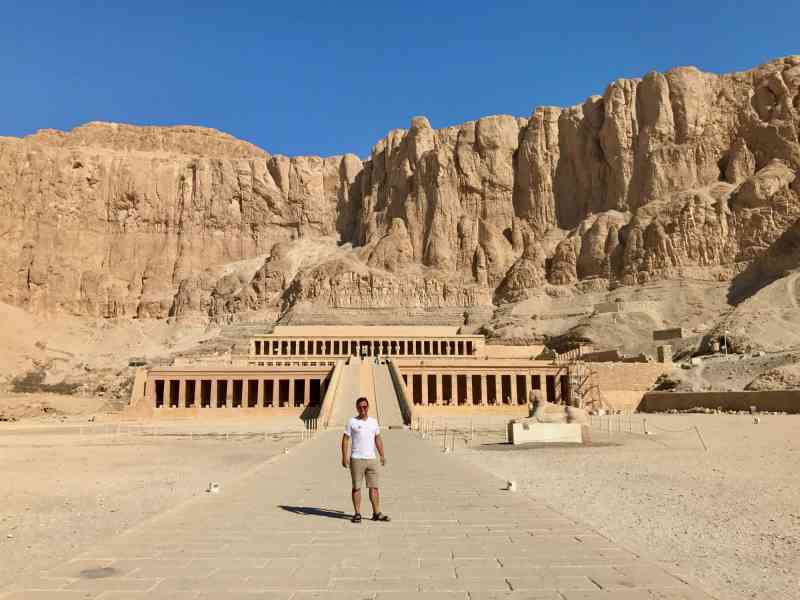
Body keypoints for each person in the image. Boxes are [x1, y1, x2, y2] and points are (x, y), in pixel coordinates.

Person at [341, 397, 389, 523]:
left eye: (365, 406)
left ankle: (377, 513)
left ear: (368, 407)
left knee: (374, 487)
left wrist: (382, 455)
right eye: (360, 407)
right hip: (356, 458)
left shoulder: (373, 422)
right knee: (356, 487)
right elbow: (345, 439)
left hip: (372, 458)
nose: (363, 409)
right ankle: (357, 513)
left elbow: (378, 438)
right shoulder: (351, 421)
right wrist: (344, 456)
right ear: (357, 408)